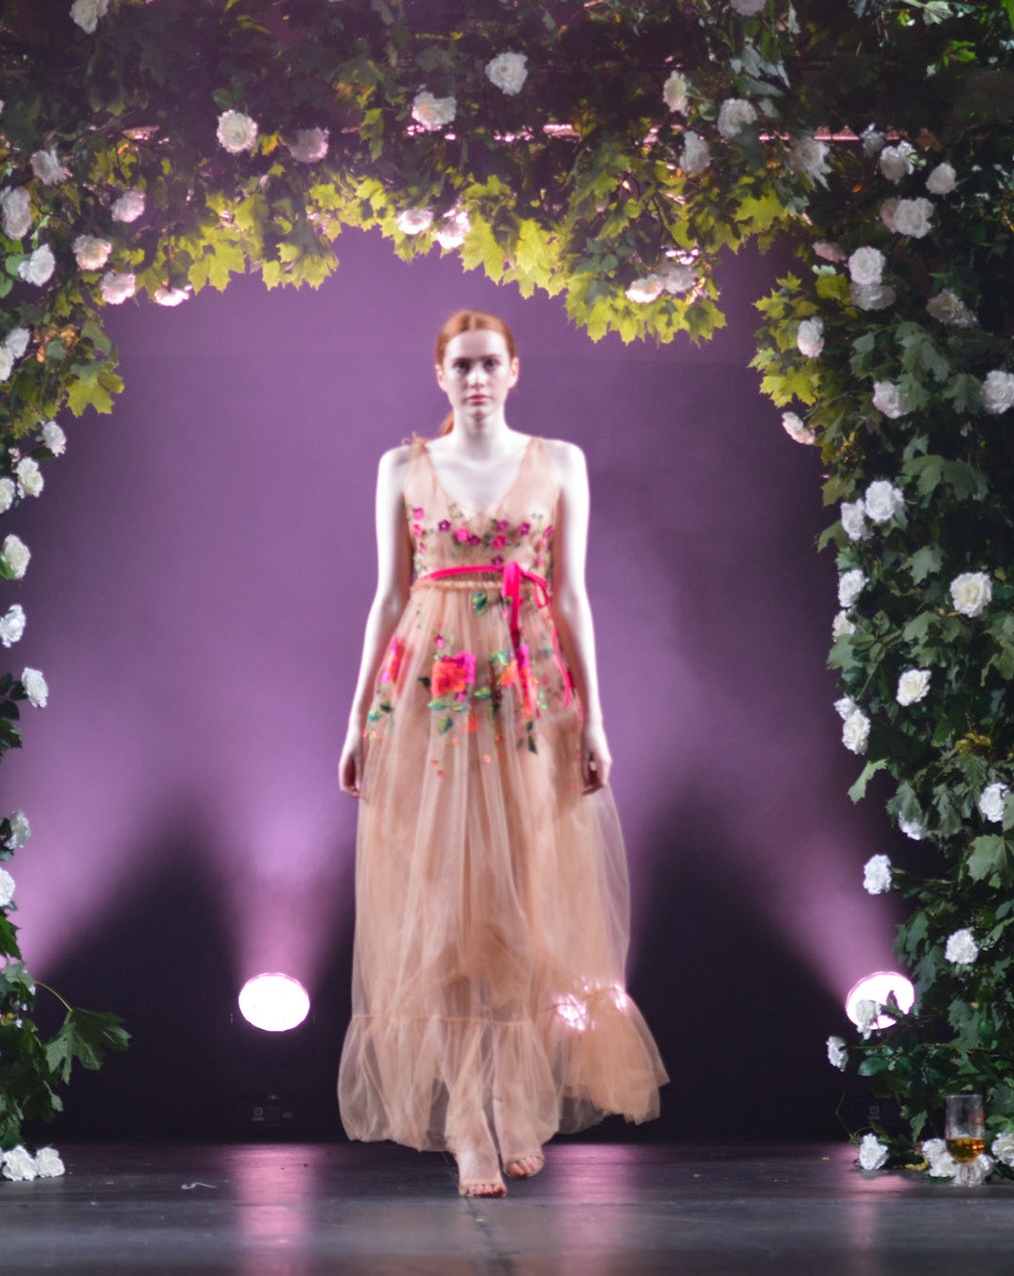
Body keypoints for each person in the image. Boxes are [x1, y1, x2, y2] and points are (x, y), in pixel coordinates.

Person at [335, 310, 667, 1197]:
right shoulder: (401, 467)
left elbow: (572, 595)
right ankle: (466, 1120)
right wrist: (357, 720)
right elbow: (387, 596)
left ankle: (517, 1095)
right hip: (431, 695)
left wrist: (594, 720)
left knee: (524, 904)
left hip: (528, 695)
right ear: (439, 375)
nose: (476, 379)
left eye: (490, 364)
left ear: (515, 371)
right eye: (462, 366)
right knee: (443, 908)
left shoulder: (561, 463)